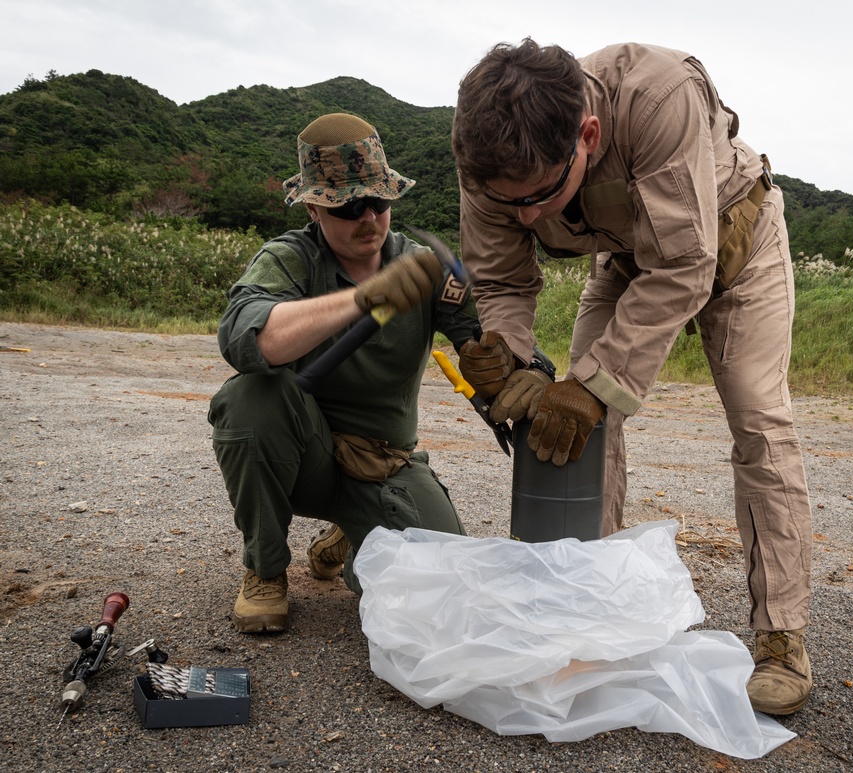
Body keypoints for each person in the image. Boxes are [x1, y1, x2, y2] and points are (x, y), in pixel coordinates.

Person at [451, 40, 814, 716]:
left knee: (760, 422)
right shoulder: (488, 150)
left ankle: (781, 636)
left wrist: (594, 384)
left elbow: (686, 263)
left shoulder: (658, 95)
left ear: (588, 135)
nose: (527, 217)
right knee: (571, 424)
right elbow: (500, 275)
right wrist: (512, 358)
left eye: (537, 196)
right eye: (511, 203)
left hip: (737, 239)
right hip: (627, 260)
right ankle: (580, 606)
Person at [208, 113, 479, 633]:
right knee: (251, 397)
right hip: (304, 460)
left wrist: (494, 361)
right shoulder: (290, 259)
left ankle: (355, 535)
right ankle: (264, 569)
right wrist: (362, 300)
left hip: (383, 463)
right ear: (314, 208)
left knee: (442, 587)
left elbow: (478, 338)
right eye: (349, 206)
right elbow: (248, 339)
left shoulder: (423, 266)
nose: (368, 219)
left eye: (378, 202)